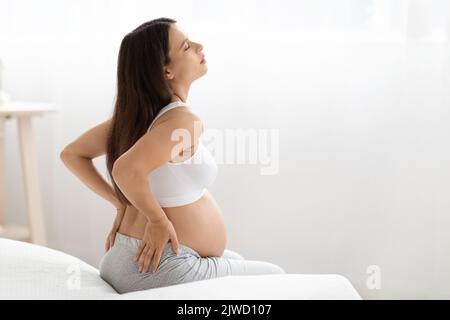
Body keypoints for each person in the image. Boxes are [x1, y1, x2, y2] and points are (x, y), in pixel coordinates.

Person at [60, 17, 285, 294]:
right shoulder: (183, 120)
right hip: (160, 264)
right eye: (187, 46)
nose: (200, 46)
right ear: (166, 71)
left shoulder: (136, 118)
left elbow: (72, 154)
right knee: (277, 276)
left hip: (127, 258)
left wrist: (122, 205)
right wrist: (157, 220)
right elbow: (125, 169)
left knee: (237, 262)